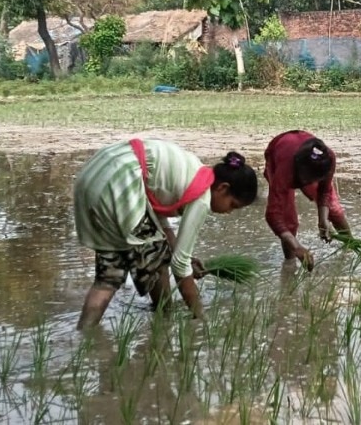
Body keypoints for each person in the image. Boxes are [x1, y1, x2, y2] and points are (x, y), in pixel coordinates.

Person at [73, 139, 258, 328]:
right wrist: (201, 316)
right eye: (232, 205)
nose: (228, 212)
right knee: (158, 258)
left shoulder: (193, 171)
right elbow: (179, 265)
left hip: (95, 174)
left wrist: (184, 255)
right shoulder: (202, 197)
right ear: (222, 188)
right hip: (120, 181)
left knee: (108, 277)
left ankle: (84, 334)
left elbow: (158, 223)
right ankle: (165, 315)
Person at [263, 131, 352, 271]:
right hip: (279, 155)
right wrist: (297, 246)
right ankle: (290, 264)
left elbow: (324, 191)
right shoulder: (286, 170)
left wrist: (323, 221)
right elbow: (273, 215)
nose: (306, 183)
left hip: (305, 164)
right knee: (288, 221)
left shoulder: (328, 159)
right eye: (306, 179)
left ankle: (351, 246)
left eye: (312, 180)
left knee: (333, 210)